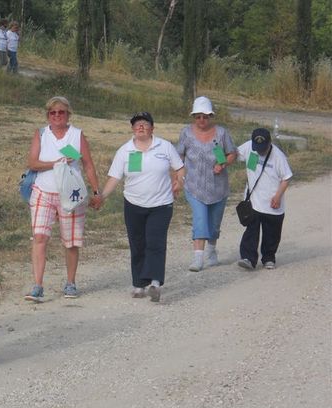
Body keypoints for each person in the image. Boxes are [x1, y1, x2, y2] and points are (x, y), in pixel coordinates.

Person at [97, 112, 184, 302]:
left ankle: (155, 283)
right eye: (137, 125)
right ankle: (138, 284)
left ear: (152, 128)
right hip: (133, 204)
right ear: (132, 129)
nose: (141, 127)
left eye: (145, 124)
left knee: (155, 242)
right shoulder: (125, 151)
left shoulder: (165, 146)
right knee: (137, 244)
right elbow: (115, 177)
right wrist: (102, 195)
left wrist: (179, 181)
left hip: (161, 204)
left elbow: (179, 167)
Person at [24, 96, 100, 302]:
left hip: (71, 194)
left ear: (68, 115)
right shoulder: (41, 134)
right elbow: (32, 162)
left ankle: (70, 283)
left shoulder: (77, 135)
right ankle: (38, 286)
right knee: (40, 237)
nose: (57, 116)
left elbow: (88, 164)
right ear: (48, 115)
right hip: (43, 191)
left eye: (61, 112)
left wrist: (96, 191)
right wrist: (55, 163)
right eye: (53, 112)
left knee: (71, 241)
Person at [176, 96, 237, 272]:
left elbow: (232, 153)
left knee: (214, 222)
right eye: (198, 116)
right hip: (194, 186)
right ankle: (197, 258)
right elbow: (179, 156)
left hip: (218, 186)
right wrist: (177, 178)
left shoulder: (221, 133)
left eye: (205, 116)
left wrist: (223, 163)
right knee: (200, 218)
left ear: (211, 116)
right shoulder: (186, 133)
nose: (201, 120)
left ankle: (211, 250)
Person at [236, 128, 292, 270]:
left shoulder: (278, 156)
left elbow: (286, 178)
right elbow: (234, 154)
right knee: (251, 231)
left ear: (269, 143)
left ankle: (268, 258)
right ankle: (248, 258)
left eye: (263, 148)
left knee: (272, 233)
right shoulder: (249, 147)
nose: (260, 151)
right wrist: (219, 152)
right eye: (257, 148)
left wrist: (278, 196)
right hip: (254, 201)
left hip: (273, 202)